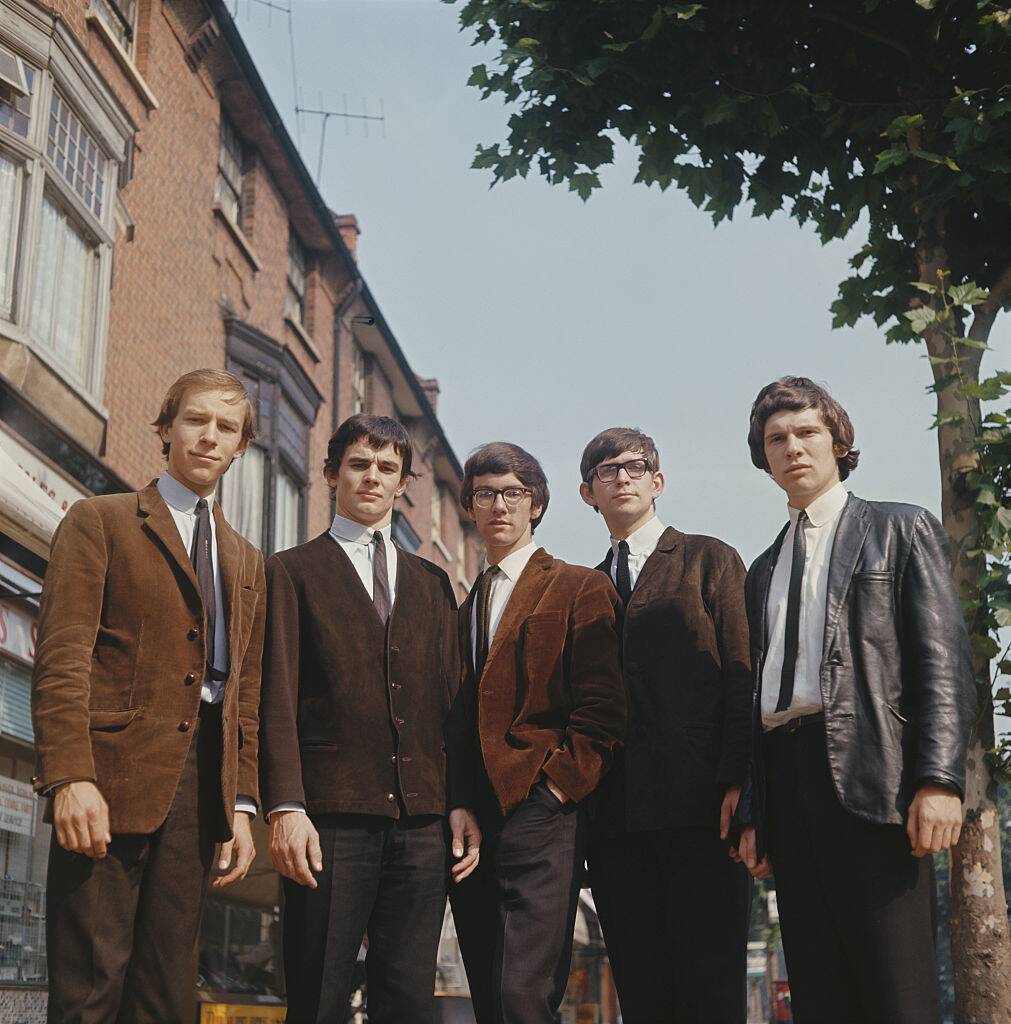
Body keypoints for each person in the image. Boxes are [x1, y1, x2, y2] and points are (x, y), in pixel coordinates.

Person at [733, 376, 976, 1024]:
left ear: (838, 441)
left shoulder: (899, 529)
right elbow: (761, 698)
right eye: (775, 438)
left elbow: (941, 663)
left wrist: (938, 779)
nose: (793, 448)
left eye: (807, 432)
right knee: (819, 993)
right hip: (789, 791)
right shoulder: (761, 570)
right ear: (763, 456)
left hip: (876, 780)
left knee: (896, 993)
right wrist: (756, 809)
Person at [32, 368, 265, 1024]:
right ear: (166, 430)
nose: (209, 437)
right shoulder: (99, 521)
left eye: (226, 428)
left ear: (240, 449)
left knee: (165, 998)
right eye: (196, 420)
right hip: (106, 782)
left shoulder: (248, 563)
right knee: (88, 991)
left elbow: (242, 691)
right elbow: (61, 660)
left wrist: (241, 803)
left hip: (199, 799)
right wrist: (70, 776)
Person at [259, 414, 480, 1024]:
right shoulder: (291, 571)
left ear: (402, 482)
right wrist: (285, 806)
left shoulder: (434, 584)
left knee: (408, 997)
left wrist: (459, 800)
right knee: (320, 991)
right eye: (359, 464)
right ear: (331, 474)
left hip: (422, 823)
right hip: (330, 819)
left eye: (387, 468)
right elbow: (273, 696)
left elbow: (451, 704)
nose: (373, 478)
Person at [579, 427, 753, 1023]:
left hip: (702, 813)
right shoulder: (585, 587)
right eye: (607, 470)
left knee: (710, 987)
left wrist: (738, 782)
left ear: (658, 481)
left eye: (635, 466)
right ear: (587, 494)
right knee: (643, 991)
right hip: (617, 825)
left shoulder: (709, 559)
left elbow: (742, 675)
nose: (621, 477)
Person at [449, 441, 626, 1024]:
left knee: (525, 993)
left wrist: (554, 794)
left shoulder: (577, 586)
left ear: (537, 505)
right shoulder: (466, 604)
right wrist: (460, 802)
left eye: (513, 493)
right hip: (474, 823)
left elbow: (603, 709)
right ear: (469, 508)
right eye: (484, 494)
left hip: (544, 812)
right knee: (489, 996)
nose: (498, 505)